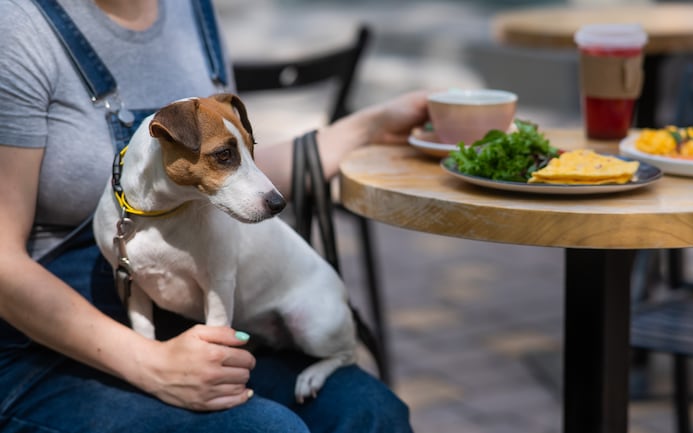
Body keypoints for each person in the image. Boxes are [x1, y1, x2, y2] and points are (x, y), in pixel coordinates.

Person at [0, 0, 428, 432]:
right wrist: (151, 365)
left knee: (373, 412)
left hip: (189, 317)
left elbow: (225, 171)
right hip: (44, 337)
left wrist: (368, 127)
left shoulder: (192, 11)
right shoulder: (18, 25)